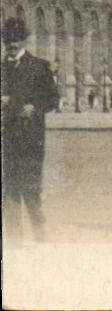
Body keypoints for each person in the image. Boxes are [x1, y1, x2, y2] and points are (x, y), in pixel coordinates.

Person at [2, 17, 59, 238]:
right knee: (9, 189)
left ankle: (39, 233)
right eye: (7, 39)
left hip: (31, 137)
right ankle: (14, 238)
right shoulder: (2, 68)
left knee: (31, 186)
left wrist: (34, 107)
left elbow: (52, 99)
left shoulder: (39, 66)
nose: (11, 44)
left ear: (23, 40)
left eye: (16, 39)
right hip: (7, 138)